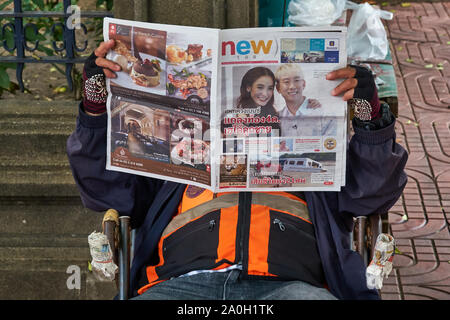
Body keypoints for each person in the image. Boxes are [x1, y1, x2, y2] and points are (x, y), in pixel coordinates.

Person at [67, 39, 408, 300]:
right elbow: (106, 189)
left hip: (289, 285)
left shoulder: (309, 154)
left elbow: (371, 195)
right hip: (182, 284)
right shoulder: (178, 159)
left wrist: (369, 118)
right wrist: (96, 109)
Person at [275, 63, 336, 137]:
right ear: (278, 88)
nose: (292, 86)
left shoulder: (325, 114)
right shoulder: (276, 118)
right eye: (286, 82)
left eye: (296, 80)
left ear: (303, 84)